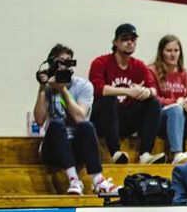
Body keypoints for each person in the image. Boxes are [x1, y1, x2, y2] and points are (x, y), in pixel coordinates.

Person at [33, 44, 117, 195]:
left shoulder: (84, 86)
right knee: (57, 124)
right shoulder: (47, 87)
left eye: (67, 62)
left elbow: (80, 117)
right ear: (51, 64)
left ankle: (98, 181)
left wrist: (62, 89)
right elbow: (39, 120)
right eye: (59, 62)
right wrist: (42, 88)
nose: (62, 66)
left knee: (87, 126)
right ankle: (73, 180)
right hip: (53, 147)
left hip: (77, 146)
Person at [89, 23, 165, 165]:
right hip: (103, 119)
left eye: (133, 39)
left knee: (153, 103)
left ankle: (145, 154)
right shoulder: (100, 62)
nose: (130, 42)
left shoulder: (139, 65)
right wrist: (128, 91)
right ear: (115, 42)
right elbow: (97, 88)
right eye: (125, 39)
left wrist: (145, 92)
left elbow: (154, 90)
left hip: (125, 119)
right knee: (108, 100)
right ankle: (115, 152)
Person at [149, 35, 187, 165]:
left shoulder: (184, 73)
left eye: (176, 51)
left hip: (183, 119)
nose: (173, 55)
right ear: (161, 52)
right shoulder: (152, 70)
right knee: (175, 108)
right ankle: (177, 154)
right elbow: (152, 99)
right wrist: (178, 102)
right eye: (169, 51)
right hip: (161, 120)